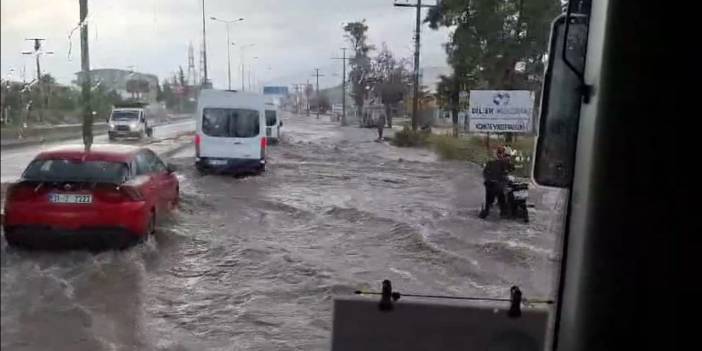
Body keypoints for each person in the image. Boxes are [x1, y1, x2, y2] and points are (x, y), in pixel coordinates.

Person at [479, 146, 515, 219]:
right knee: (501, 196)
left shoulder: (490, 162)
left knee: (489, 201)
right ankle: (503, 211)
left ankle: (486, 211)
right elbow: (512, 168)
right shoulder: (503, 162)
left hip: (489, 184)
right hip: (497, 185)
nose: (507, 157)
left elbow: (485, 173)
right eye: (506, 155)